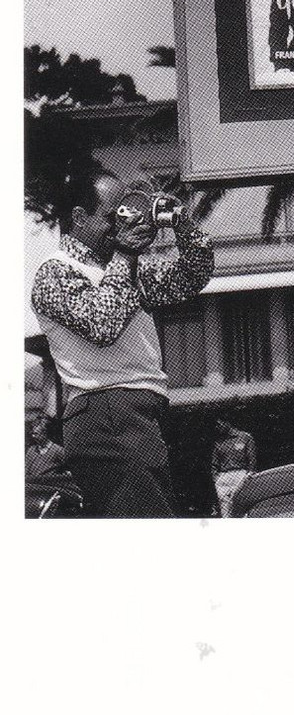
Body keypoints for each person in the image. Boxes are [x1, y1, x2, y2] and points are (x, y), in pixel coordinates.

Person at [31, 166, 214, 518]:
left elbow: (192, 277)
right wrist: (126, 256)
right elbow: (102, 325)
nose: (120, 226)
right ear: (80, 218)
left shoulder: (121, 267)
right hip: (107, 410)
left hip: (137, 410)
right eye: (112, 216)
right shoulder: (56, 271)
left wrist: (180, 223)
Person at [211, 418, 257, 519]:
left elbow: (251, 458)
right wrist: (216, 478)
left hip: (241, 475)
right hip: (224, 477)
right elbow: (214, 463)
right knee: (225, 510)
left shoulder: (245, 437)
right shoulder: (218, 442)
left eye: (219, 424)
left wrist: (250, 474)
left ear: (227, 422)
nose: (217, 427)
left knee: (242, 506)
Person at [25, 416, 66, 480]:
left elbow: (70, 470)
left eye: (36, 434)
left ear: (45, 433)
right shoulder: (31, 450)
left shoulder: (58, 450)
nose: (33, 436)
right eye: (32, 433)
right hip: (33, 485)